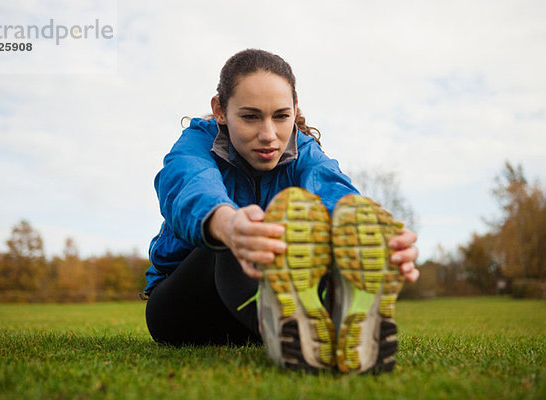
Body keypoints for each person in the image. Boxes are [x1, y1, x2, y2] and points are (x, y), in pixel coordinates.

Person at [144, 49, 419, 374]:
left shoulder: (305, 152)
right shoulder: (196, 144)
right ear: (219, 110)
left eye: (280, 116)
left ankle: (341, 326)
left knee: (327, 227)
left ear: (295, 110)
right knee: (248, 229)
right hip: (187, 310)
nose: (268, 135)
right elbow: (188, 182)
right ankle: (287, 323)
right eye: (250, 116)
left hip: (257, 313)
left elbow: (333, 190)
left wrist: (377, 237)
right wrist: (228, 223)